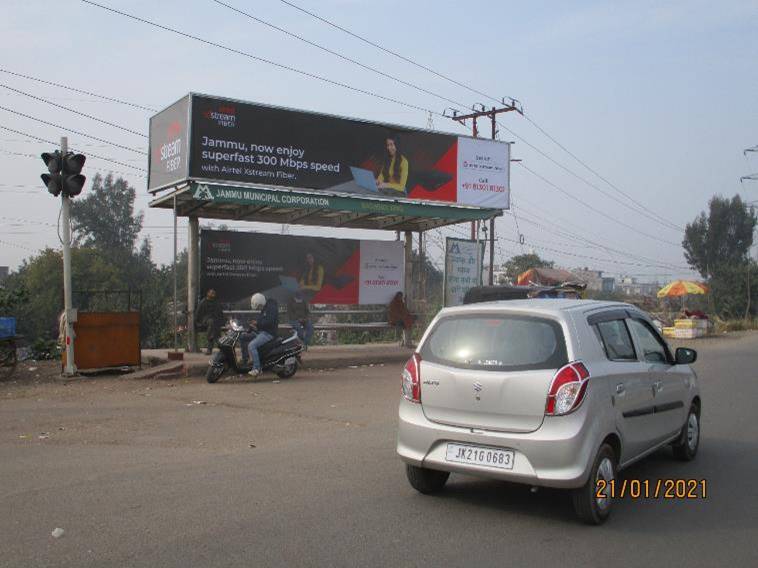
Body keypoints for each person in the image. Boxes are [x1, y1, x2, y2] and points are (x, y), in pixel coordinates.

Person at [247, 292, 279, 378]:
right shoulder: (265, 308)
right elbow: (261, 320)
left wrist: (257, 323)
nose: (259, 308)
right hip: (262, 331)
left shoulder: (271, 308)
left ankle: (257, 368)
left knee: (252, 345)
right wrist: (253, 325)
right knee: (243, 337)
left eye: (259, 306)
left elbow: (269, 322)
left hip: (269, 333)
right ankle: (246, 359)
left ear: (261, 302)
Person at [196, 289, 225, 355]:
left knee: (213, 325)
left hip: (215, 321)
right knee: (211, 323)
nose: (213, 294)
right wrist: (197, 322)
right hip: (206, 320)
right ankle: (219, 344)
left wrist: (223, 322)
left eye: (214, 293)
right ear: (208, 293)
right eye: (211, 293)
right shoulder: (203, 302)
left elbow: (220, 313)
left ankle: (210, 348)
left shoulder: (216, 302)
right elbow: (198, 313)